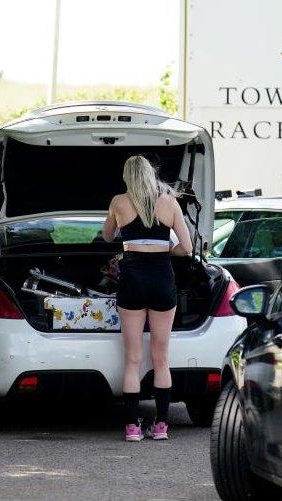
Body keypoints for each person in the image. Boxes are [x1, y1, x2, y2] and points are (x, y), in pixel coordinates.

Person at [101, 155, 193, 442]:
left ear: (128, 176)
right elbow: (187, 248)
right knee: (161, 357)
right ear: (151, 174)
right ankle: (162, 425)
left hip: (132, 283)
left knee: (132, 359)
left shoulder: (119, 201)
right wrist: (164, 248)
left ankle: (131, 426)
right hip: (163, 281)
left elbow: (106, 237)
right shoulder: (169, 202)